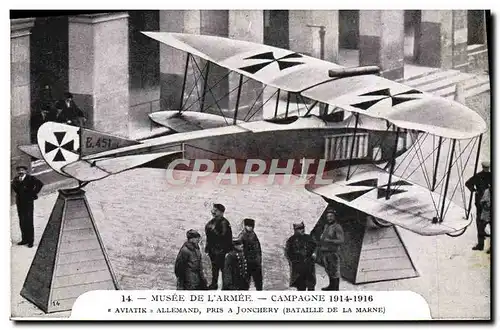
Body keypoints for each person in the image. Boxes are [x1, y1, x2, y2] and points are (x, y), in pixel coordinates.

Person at [11, 165, 44, 248]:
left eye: (22, 170)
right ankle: (24, 239)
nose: (20, 172)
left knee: (29, 221)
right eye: (19, 170)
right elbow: (15, 188)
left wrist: (33, 193)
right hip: (20, 202)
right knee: (22, 221)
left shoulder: (30, 178)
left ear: (25, 171)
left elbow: (40, 184)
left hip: (28, 202)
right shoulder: (16, 179)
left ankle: (30, 241)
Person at [205, 203, 232, 289]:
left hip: (221, 251)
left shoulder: (224, 223)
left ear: (221, 212)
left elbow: (224, 237)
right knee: (214, 268)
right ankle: (214, 284)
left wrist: (213, 231)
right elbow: (208, 236)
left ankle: (225, 286)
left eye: (215, 211)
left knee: (224, 269)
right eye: (213, 210)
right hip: (212, 250)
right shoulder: (212, 221)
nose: (213, 212)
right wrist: (207, 247)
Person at [466, 161, 492, 251]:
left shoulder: (478, 176)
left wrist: (474, 190)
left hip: (481, 204)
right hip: (489, 205)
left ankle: (481, 245)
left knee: (480, 224)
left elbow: (468, 183)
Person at [285, 222, 317, 291]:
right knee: (301, 288)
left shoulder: (309, 238)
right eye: (299, 228)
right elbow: (288, 253)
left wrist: (314, 253)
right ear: (295, 230)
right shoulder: (291, 240)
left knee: (311, 287)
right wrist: (294, 261)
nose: (302, 230)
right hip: (299, 268)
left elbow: (315, 247)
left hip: (309, 267)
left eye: (303, 228)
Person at [318, 208, 344, 291]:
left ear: (334, 217)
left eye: (331, 216)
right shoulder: (326, 226)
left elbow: (341, 240)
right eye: (328, 216)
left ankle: (336, 289)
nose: (329, 218)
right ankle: (331, 286)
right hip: (325, 252)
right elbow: (324, 237)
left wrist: (329, 241)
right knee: (329, 270)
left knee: (335, 272)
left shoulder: (337, 227)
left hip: (333, 253)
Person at [238, 218, 263, 290]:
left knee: (257, 281)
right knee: (246, 282)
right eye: (249, 226)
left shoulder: (253, 234)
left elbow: (258, 249)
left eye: (252, 226)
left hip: (255, 261)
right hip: (248, 261)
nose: (251, 227)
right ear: (245, 226)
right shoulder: (243, 235)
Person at [480, 185, 491, 254]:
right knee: (482, 228)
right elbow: (482, 201)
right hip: (487, 214)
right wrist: (485, 205)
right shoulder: (487, 191)